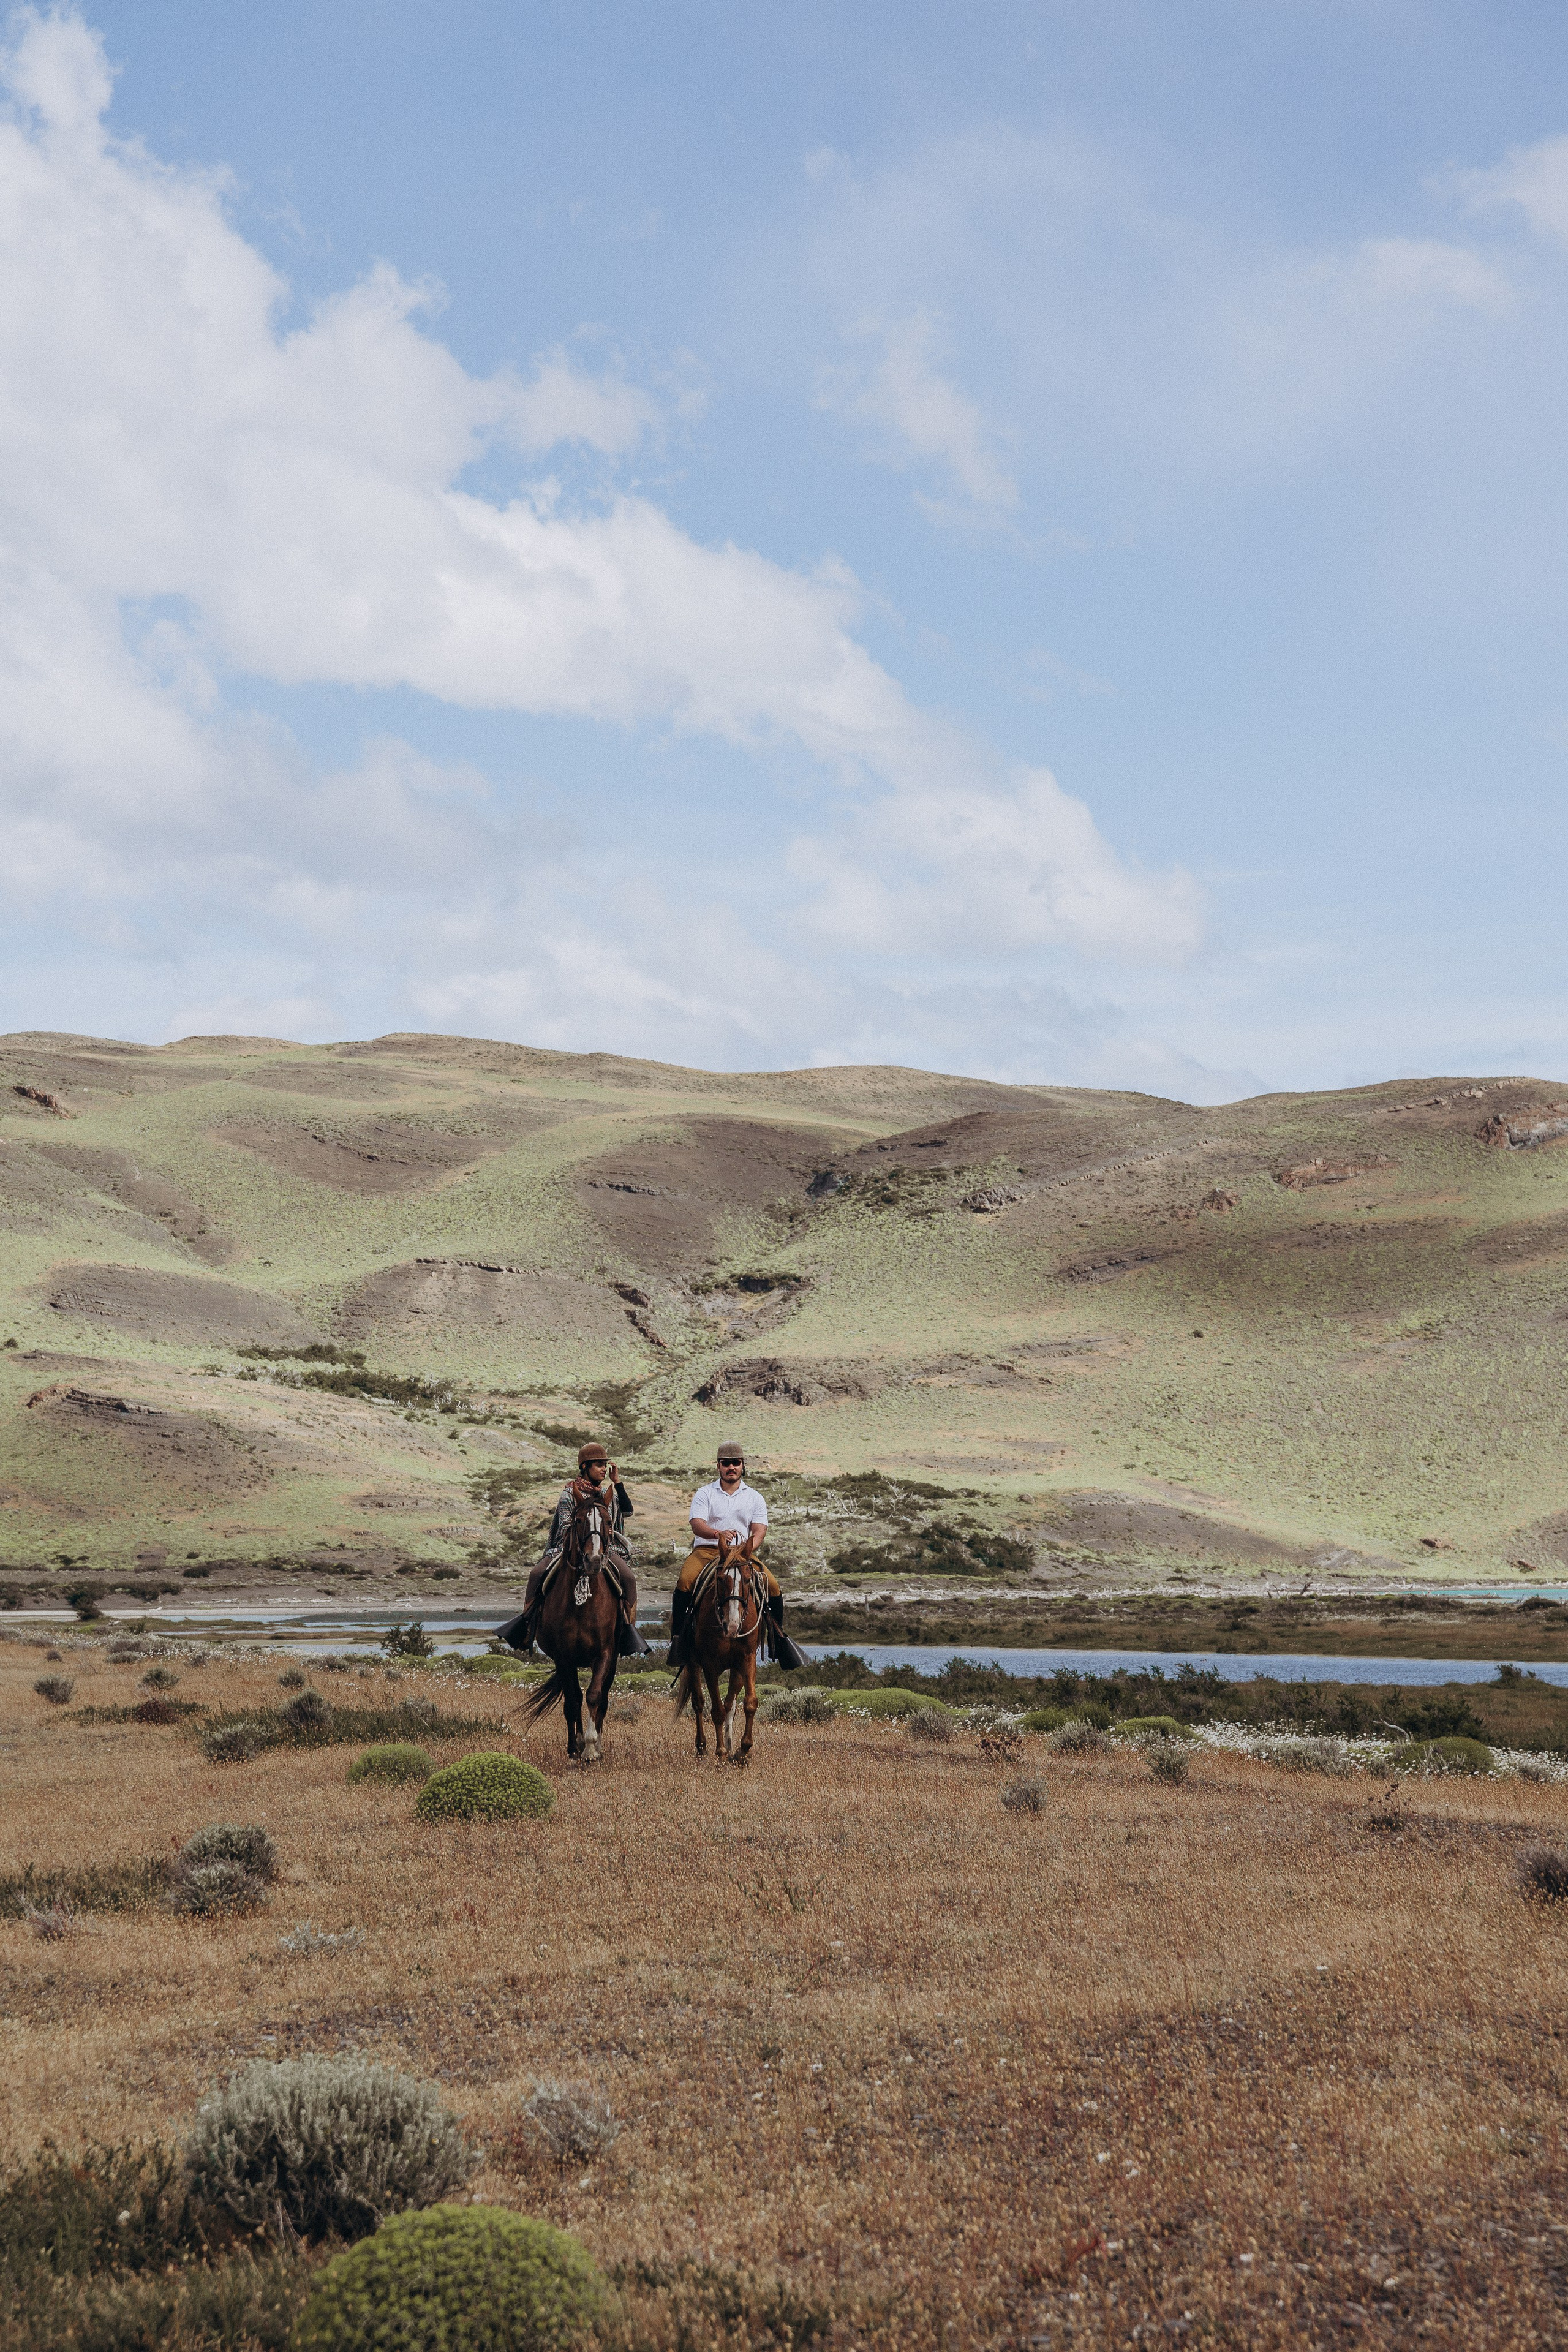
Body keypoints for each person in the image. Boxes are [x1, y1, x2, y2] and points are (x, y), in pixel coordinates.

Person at [669, 1441, 806, 1670]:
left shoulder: (755, 1497)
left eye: (736, 1463)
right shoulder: (705, 1493)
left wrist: (749, 1548)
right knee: (685, 1581)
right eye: (726, 1463)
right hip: (707, 1550)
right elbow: (697, 1524)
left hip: (742, 1553)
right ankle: (678, 1640)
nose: (731, 1467)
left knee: (773, 1586)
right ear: (718, 1466)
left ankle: (778, 1641)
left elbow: (760, 1529)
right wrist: (717, 1533)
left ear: (743, 1465)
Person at [511, 1442, 649, 1656]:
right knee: (536, 1573)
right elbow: (565, 1525)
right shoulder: (569, 1494)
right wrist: (581, 1540)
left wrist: (618, 1482)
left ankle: (629, 1632)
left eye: (605, 1465)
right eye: (599, 1465)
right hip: (569, 1548)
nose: (604, 1469)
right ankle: (527, 1626)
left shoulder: (608, 1494)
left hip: (605, 1549)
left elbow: (628, 1512)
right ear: (585, 1467)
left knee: (629, 1578)